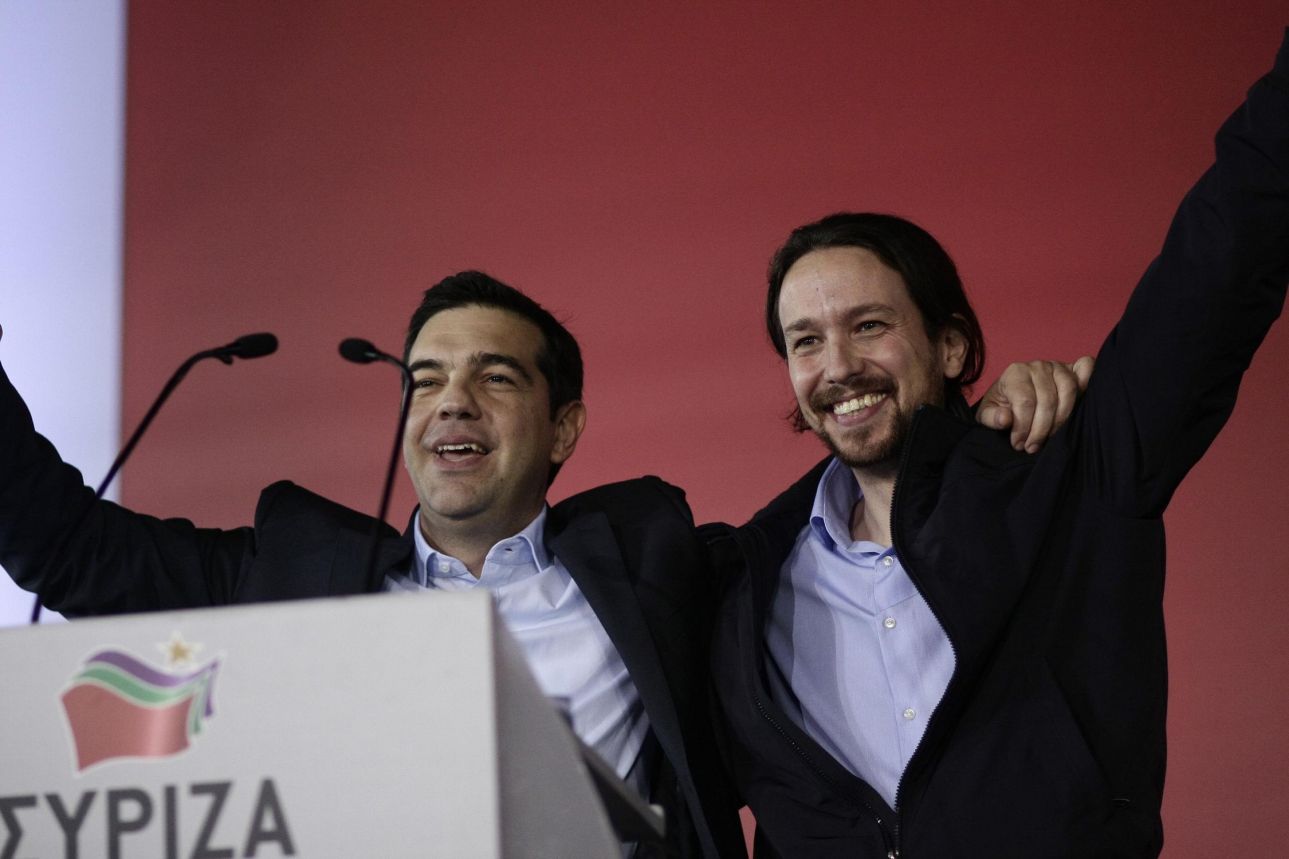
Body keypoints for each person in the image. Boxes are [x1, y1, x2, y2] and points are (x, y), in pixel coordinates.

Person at [1, 271, 1080, 857]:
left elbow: (854, 495)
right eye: (425, 380)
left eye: (494, 378)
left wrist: (982, 415)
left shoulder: (659, 570)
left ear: (563, 428)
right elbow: (70, 549)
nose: (452, 403)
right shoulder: (294, 574)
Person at [706, 31, 1289, 859]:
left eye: (867, 326)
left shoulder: (1070, 473)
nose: (836, 366)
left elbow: (1225, 254)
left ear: (949, 346)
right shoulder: (741, 578)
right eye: (805, 341)